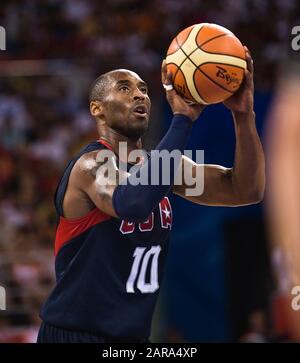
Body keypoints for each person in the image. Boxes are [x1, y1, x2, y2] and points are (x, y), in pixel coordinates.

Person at [37, 47, 265, 343]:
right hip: (76, 335)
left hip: (132, 338)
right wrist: (182, 120)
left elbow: (245, 189)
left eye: (144, 89)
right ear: (97, 108)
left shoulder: (164, 168)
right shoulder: (90, 166)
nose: (139, 95)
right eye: (124, 88)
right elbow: (132, 202)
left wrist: (243, 115)